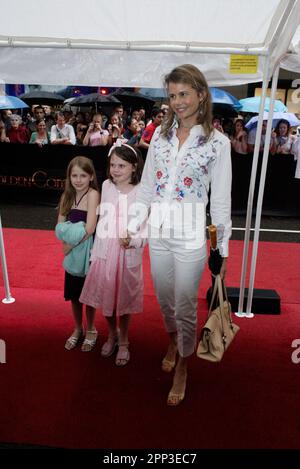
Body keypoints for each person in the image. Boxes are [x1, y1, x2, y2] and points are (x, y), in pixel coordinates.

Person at [127, 64, 232, 406]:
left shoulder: (218, 144)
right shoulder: (159, 135)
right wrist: (131, 225)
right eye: (172, 95)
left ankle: (183, 365)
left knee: (186, 305)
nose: (177, 102)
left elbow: (220, 201)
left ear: (202, 94)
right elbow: (146, 189)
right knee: (165, 301)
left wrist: (222, 249)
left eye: (184, 94)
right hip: (158, 231)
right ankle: (174, 341)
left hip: (190, 236)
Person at [79, 142, 145, 366]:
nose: (116, 170)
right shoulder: (106, 186)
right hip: (105, 251)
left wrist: (134, 239)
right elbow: (100, 218)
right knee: (104, 295)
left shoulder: (141, 191)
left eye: (122, 165)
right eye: (113, 164)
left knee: (123, 298)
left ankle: (124, 340)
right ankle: (112, 332)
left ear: (134, 167)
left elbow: (146, 225)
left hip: (126, 253)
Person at [56, 156, 100, 351]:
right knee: (74, 294)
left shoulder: (93, 195)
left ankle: (91, 328)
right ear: (69, 177)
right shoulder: (66, 196)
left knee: (88, 294)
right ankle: (77, 328)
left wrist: (69, 243)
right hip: (73, 255)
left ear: (91, 176)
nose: (78, 179)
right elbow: (59, 228)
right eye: (74, 175)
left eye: (83, 175)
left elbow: (90, 228)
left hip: (88, 252)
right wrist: (69, 237)